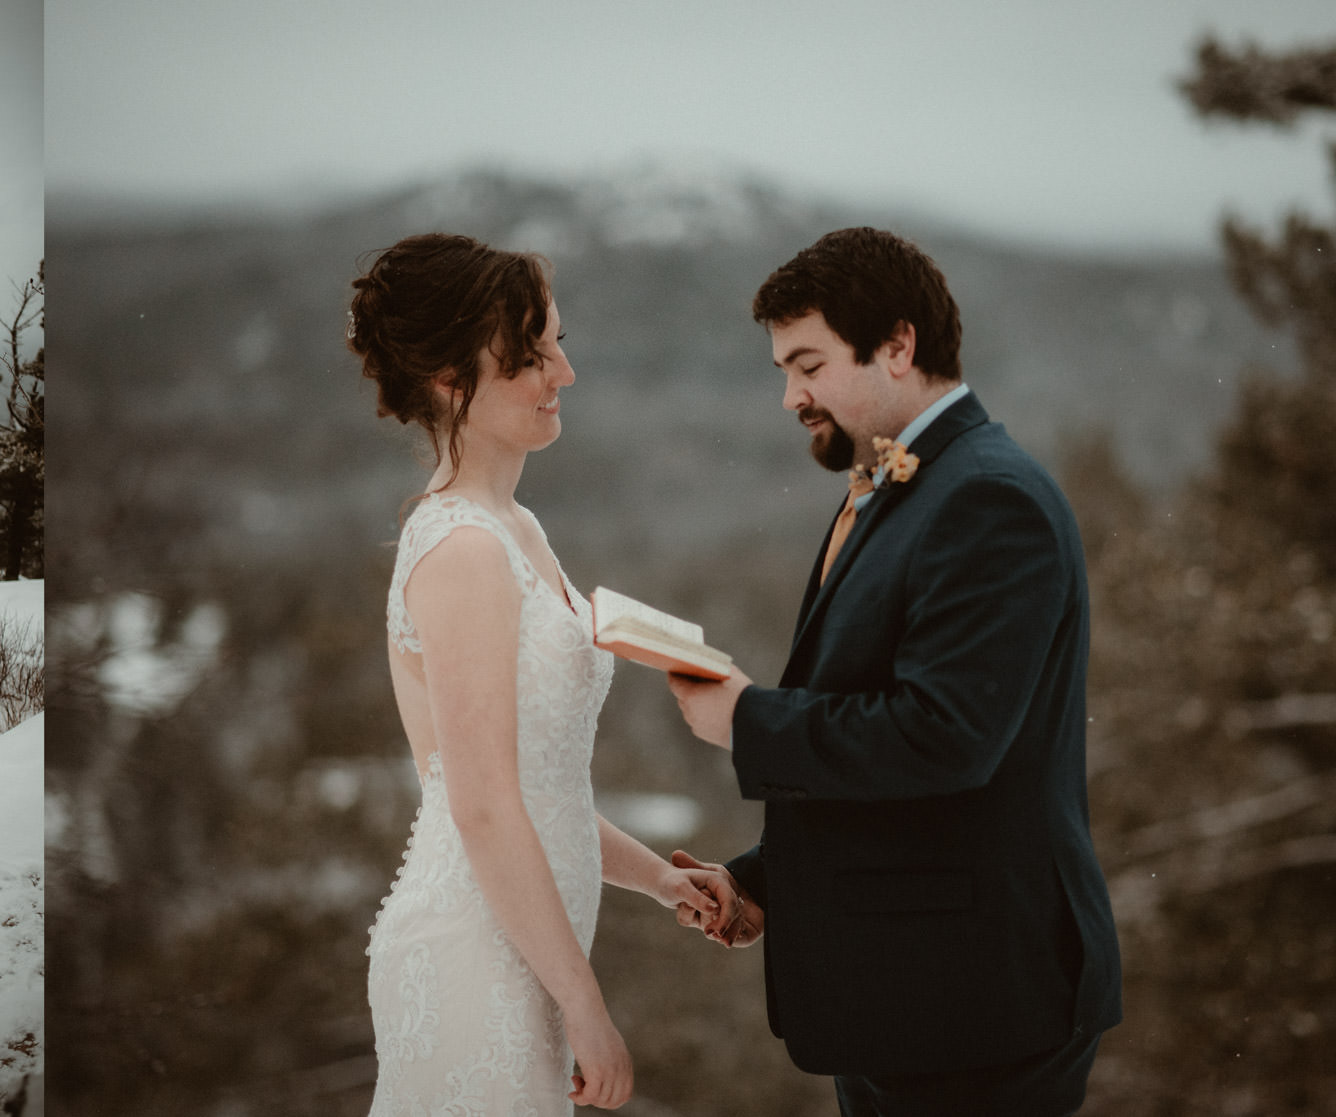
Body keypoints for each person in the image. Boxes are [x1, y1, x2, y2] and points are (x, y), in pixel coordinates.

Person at [665, 228, 1122, 1116]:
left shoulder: (989, 499)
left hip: (978, 1007)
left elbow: (944, 739)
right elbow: (895, 753)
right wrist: (763, 880)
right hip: (910, 996)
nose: (791, 396)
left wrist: (744, 720)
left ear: (899, 346)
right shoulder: (903, 487)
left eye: (809, 364)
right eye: (782, 371)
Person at [349, 233, 740, 1114]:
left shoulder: (517, 527)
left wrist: (661, 880)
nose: (565, 372)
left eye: (558, 341)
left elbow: (543, 789)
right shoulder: (463, 551)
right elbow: (481, 804)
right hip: (477, 957)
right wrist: (586, 1004)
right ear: (452, 382)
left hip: (524, 948)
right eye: (532, 356)